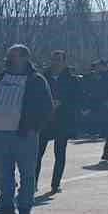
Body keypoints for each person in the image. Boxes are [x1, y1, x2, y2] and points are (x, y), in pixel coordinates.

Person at [0, 44, 54, 214]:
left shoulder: (36, 80)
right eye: (8, 56)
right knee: (4, 174)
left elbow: (47, 108)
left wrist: (34, 128)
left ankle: (24, 207)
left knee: (27, 173)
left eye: (12, 56)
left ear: (24, 58)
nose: (8, 59)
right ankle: (6, 207)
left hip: (24, 135)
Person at [39, 50, 81, 193]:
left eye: (59, 60)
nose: (56, 62)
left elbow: (77, 99)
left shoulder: (72, 79)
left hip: (63, 120)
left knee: (60, 153)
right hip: (44, 120)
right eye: (53, 59)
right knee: (37, 153)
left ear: (64, 62)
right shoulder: (41, 77)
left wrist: (62, 103)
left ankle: (55, 184)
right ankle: (32, 183)